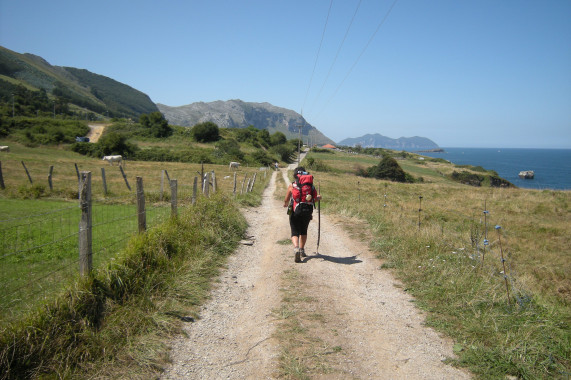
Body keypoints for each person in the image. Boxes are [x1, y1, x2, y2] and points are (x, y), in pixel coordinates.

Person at [283, 167, 321, 263]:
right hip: (307, 212)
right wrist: (319, 198)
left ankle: (296, 248)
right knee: (303, 231)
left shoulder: (292, 185)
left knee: (294, 231)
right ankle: (301, 249)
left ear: (296, 175)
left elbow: (286, 199)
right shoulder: (311, 187)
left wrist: (286, 204)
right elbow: (314, 199)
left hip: (295, 211)